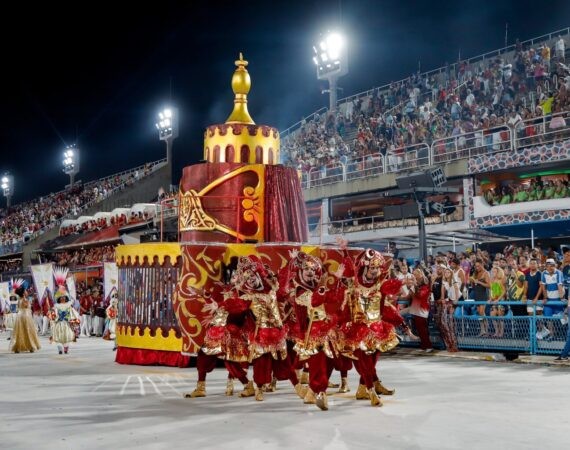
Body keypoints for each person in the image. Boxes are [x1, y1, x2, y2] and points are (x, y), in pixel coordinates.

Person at [339, 248, 415, 406]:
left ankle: (366, 386)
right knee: (365, 363)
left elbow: (387, 306)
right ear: (365, 267)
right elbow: (346, 307)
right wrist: (344, 251)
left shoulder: (381, 285)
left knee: (372, 362)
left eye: (377, 268)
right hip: (359, 330)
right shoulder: (353, 284)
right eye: (372, 268)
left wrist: (404, 326)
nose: (375, 271)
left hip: (378, 330)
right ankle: (370, 389)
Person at [51, 272, 79, 355]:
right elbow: (53, 315)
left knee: (67, 336)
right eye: (61, 298)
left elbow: (73, 313)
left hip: (67, 323)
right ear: (59, 299)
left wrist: (71, 283)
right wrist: (53, 318)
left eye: (64, 297)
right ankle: (60, 349)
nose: (62, 298)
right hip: (59, 323)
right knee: (58, 337)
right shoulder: (56, 306)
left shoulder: (68, 305)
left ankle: (66, 348)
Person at [10, 283, 41, 354]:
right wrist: (27, 301)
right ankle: (31, 346)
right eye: (26, 291)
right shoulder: (24, 299)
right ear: (23, 293)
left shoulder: (19, 299)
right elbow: (26, 306)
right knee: (28, 331)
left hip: (19, 316)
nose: (27, 292)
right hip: (25, 316)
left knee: (19, 332)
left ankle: (17, 347)